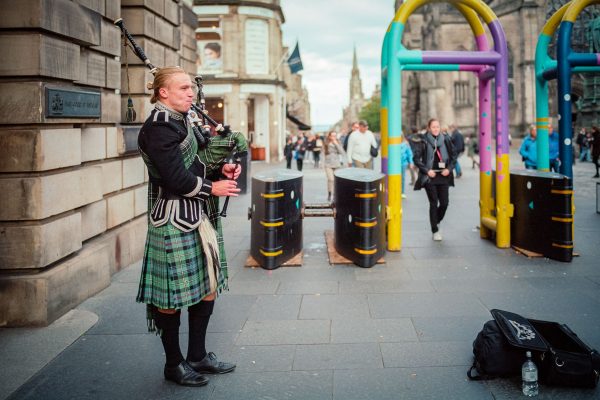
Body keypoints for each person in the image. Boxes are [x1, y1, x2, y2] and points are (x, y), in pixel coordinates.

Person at [136, 67, 239, 387]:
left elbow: (194, 163)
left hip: (196, 215)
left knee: (207, 285)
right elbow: (173, 177)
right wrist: (213, 188)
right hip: (172, 218)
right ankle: (173, 363)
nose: (190, 93)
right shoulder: (158, 127)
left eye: (191, 88)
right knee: (170, 297)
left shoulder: (182, 121)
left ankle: (197, 355)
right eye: (183, 88)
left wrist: (221, 168)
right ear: (162, 92)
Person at [413, 118, 457, 241]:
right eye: (433, 127)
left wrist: (449, 169)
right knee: (433, 203)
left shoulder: (446, 139)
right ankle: (435, 230)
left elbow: (454, 157)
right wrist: (427, 171)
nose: (436, 129)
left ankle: (435, 221)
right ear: (429, 128)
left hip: (443, 176)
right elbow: (416, 159)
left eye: (437, 127)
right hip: (430, 177)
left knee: (444, 203)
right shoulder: (423, 140)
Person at [323, 131, 346, 201]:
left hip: (337, 164)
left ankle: (335, 195)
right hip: (328, 164)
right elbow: (322, 153)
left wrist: (336, 144)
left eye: (335, 136)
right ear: (329, 136)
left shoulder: (338, 142)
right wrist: (322, 163)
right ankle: (330, 193)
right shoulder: (326, 143)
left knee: (336, 180)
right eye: (332, 136)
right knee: (331, 179)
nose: (333, 137)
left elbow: (342, 152)